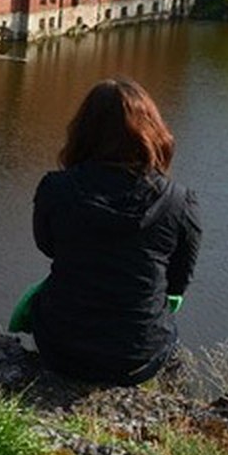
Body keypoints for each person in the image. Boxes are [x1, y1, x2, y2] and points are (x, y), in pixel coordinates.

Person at [28, 77, 201, 386]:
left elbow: (47, 246)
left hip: (60, 350)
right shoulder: (179, 201)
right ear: (153, 132)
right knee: (168, 330)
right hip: (138, 360)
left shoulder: (55, 188)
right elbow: (176, 285)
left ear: (83, 131)